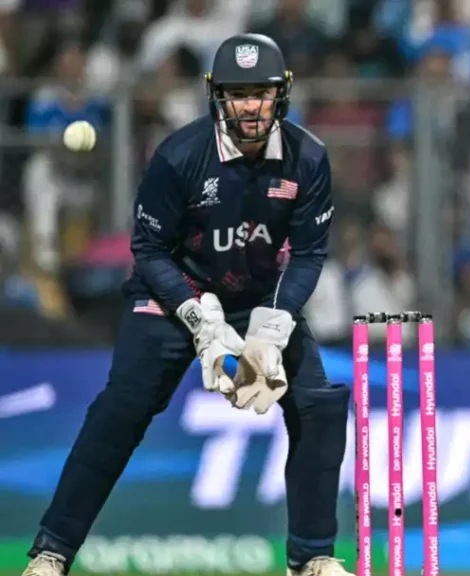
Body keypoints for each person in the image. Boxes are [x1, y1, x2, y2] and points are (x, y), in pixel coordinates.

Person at [22, 34, 351, 576]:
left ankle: (311, 558)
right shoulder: (179, 156)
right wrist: (201, 321)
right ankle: (52, 551)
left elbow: (310, 254)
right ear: (215, 95)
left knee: (316, 403)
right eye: (237, 93)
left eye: (261, 94)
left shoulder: (308, 157)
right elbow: (148, 251)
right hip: (172, 293)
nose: (250, 106)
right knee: (121, 408)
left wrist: (271, 330)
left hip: (255, 298)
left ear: (281, 95)